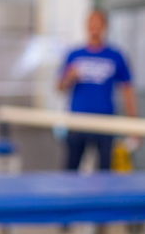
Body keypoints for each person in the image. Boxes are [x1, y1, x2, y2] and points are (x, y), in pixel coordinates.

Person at [58, 9, 138, 170]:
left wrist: (133, 124)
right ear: (86, 25)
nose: (94, 26)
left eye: (97, 22)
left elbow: (127, 90)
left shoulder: (115, 55)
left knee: (105, 170)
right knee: (70, 169)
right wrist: (69, 78)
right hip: (77, 121)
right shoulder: (74, 54)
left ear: (104, 26)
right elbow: (59, 87)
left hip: (104, 121)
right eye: (91, 22)